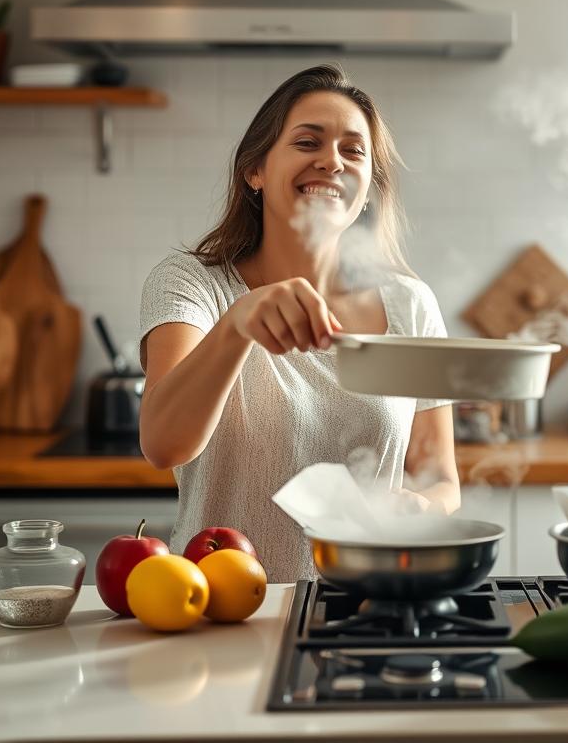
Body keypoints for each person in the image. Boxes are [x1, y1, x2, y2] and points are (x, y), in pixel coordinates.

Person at [139, 65, 459, 582]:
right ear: (255, 171)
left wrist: (423, 511)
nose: (330, 161)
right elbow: (163, 445)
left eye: (353, 151)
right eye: (308, 141)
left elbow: (440, 478)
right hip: (218, 609)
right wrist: (239, 322)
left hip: (368, 606)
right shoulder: (192, 284)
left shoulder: (410, 304)